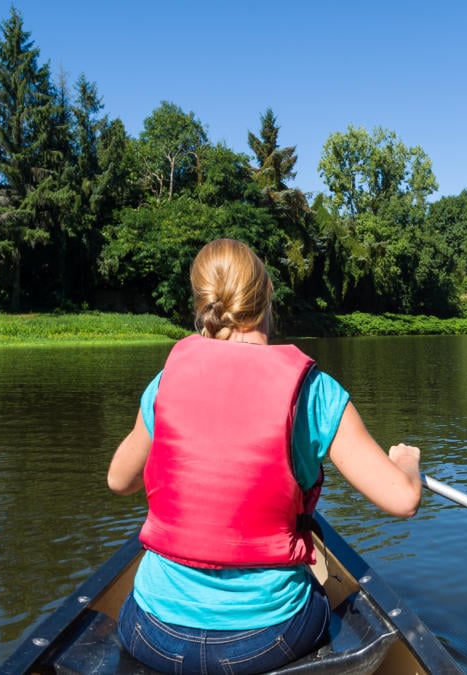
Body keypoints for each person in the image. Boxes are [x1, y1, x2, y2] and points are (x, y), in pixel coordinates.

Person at [107, 238, 423, 674]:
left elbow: (118, 480)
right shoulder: (314, 391)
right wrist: (407, 462)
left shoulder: (167, 382)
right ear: (267, 296)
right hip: (262, 642)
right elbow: (403, 499)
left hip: (154, 636)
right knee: (321, 593)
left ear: (202, 303)